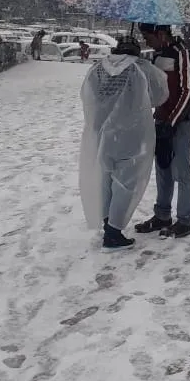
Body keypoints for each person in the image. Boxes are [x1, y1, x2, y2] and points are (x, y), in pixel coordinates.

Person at [79, 36, 168, 250]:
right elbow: (159, 95)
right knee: (125, 183)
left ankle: (107, 219)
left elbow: (87, 95)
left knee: (105, 179)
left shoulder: (98, 68)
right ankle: (113, 233)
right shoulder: (142, 68)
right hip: (131, 134)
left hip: (102, 132)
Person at [134, 24, 190, 238]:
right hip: (161, 121)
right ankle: (162, 216)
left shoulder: (182, 53)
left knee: (182, 171)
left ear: (160, 34)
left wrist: (172, 120)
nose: (146, 41)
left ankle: (185, 221)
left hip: (181, 122)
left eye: (147, 36)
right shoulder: (156, 55)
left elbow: (188, 91)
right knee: (163, 169)